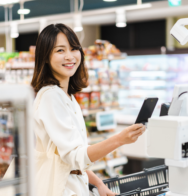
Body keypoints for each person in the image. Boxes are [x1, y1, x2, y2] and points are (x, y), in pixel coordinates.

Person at [31, 23, 145, 196]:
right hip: (60, 188)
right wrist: (119, 140)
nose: (69, 56)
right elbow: (75, 156)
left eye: (74, 48)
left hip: (74, 184)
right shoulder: (50, 96)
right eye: (60, 51)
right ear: (45, 57)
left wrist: (98, 183)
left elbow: (68, 156)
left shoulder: (67, 96)